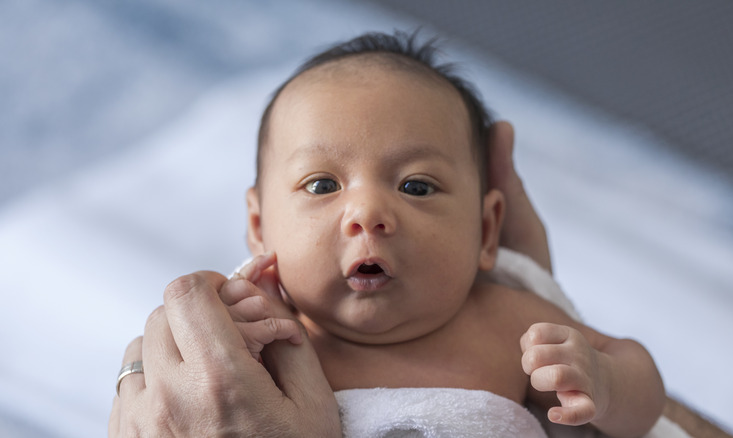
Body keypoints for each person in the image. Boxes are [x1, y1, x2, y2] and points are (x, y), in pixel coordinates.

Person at [110, 31, 667, 437]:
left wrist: (605, 382)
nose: (368, 214)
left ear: (486, 230)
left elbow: (637, 380)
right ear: (259, 228)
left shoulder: (510, 322)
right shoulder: (255, 349)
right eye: (323, 184)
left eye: (417, 186)